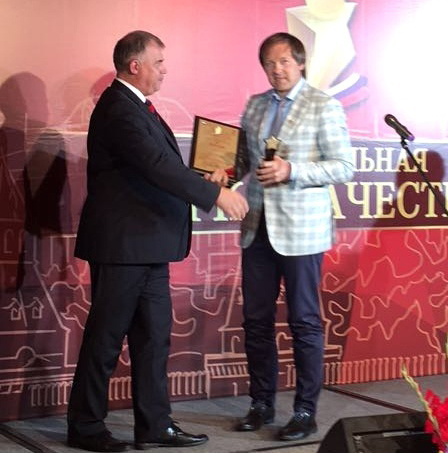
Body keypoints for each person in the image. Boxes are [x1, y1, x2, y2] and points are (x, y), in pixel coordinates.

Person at [67, 30, 248, 452]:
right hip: (124, 248)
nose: (165, 70)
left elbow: (162, 165)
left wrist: (206, 178)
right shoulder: (119, 108)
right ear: (136, 66)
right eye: (159, 62)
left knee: (153, 339)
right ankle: (86, 427)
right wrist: (216, 196)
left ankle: (155, 425)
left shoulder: (137, 107)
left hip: (149, 246)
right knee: (106, 339)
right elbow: (155, 166)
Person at [233, 32, 354, 441]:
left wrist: (293, 171)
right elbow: (241, 162)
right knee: (256, 321)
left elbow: (343, 166)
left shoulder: (323, 104)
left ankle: (305, 411)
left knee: (304, 321)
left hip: (302, 233)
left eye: (284, 61)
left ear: (300, 63)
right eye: (269, 63)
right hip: (257, 228)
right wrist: (219, 173)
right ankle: (261, 404)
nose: (276, 69)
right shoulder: (255, 105)